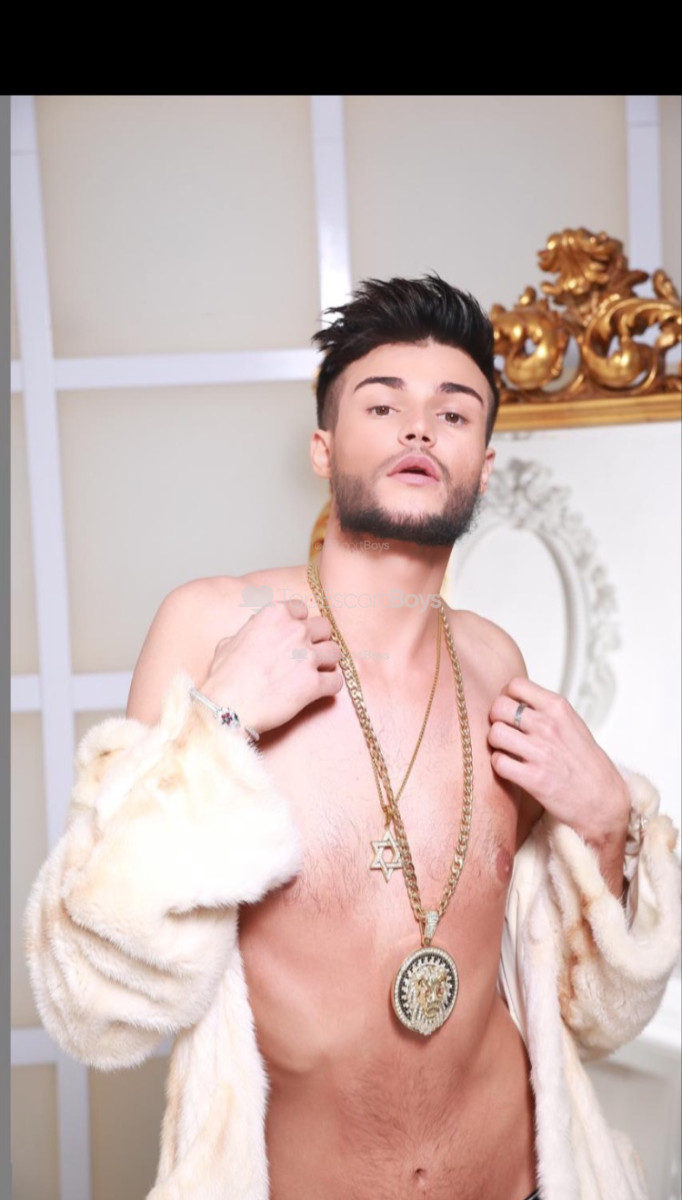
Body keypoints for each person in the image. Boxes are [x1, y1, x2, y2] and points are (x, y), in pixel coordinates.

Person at [25, 276, 680, 1200]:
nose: (420, 430)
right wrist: (220, 722)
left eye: (454, 413)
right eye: (383, 405)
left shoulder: (496, 662)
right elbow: (98, 996)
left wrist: (607, 824)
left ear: (486, 464)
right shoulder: (212, 626)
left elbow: (592, 1013)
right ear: (324, 448)